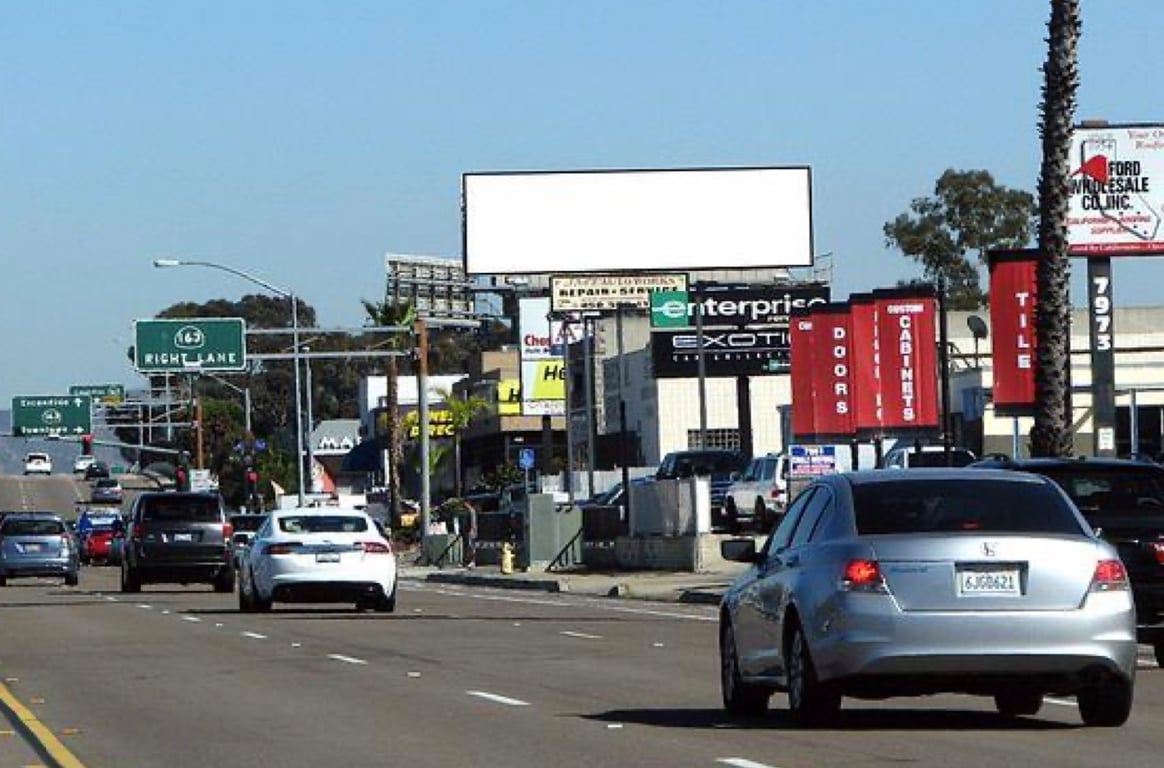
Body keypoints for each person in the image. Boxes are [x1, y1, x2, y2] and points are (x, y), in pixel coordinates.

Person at [462, 498, 478, 568]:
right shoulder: (468, 511)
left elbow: (473, 522)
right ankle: (467, 561)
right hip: (467, 531)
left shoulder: (471, 511)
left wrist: (472, 530)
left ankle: (472, 561)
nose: (464, 505)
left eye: (465, 503)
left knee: (471, 547)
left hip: (471, 532)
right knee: (467, 547)